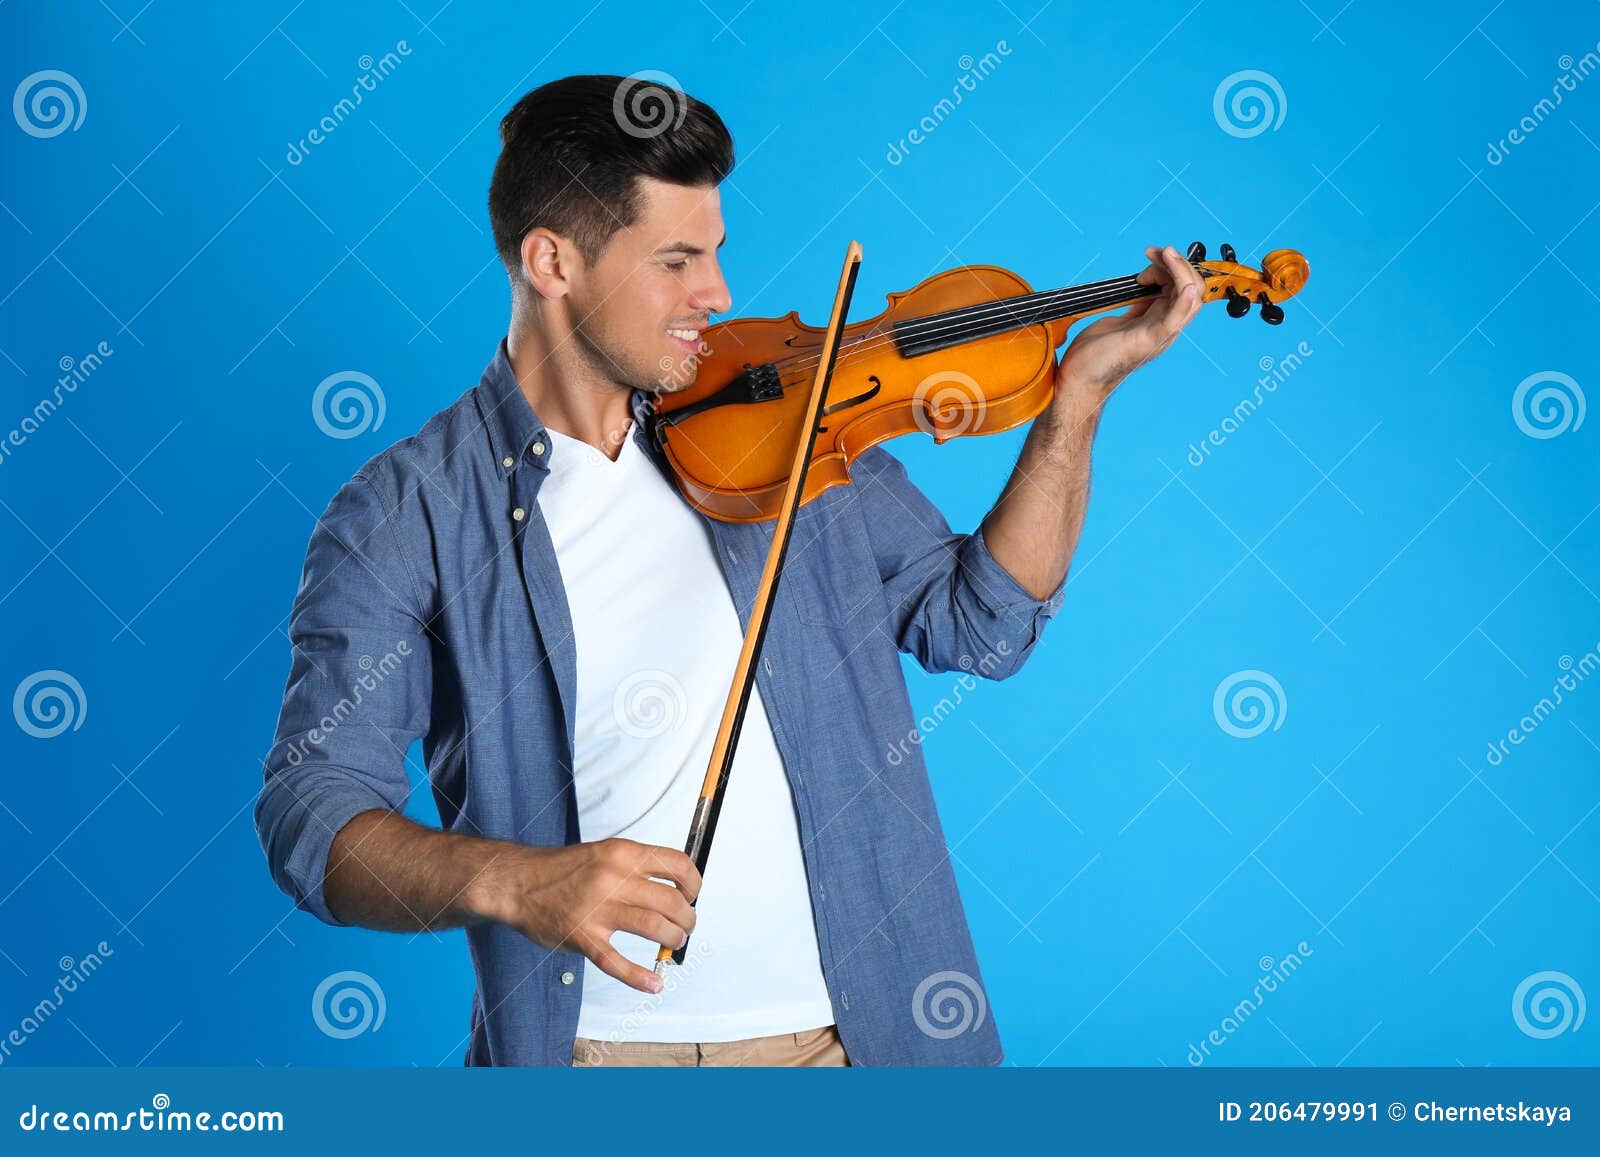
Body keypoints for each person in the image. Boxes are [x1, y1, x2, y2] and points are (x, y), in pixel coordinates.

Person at [253, 73, 1205, 1068]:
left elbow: (983, 626)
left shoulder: (793, 437)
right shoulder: (408, 511)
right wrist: (516, 882)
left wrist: (1077, 401)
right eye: (676, 260)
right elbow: (310, 811)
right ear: (551, 261)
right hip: (591, 1060)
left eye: (714, 251)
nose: (717, 293)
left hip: (854, 1045)